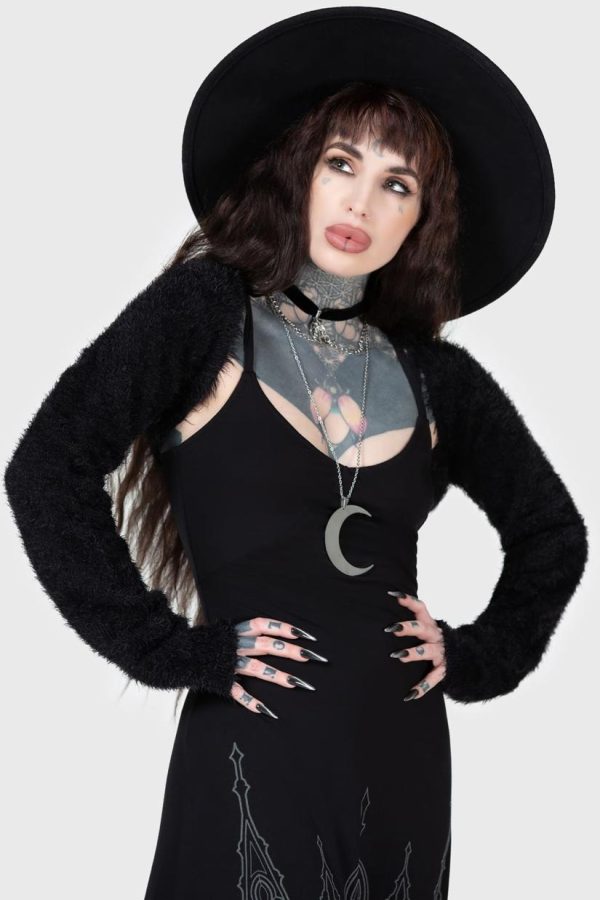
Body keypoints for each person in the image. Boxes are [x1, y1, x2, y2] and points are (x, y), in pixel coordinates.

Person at [3, 8, 588, 898]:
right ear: (298, 169)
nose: (360, 204)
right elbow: (46, 468)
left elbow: (554, 533)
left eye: (398, 185)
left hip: (404, 763)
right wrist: (169, 650)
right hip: (253, 745)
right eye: (341, 164)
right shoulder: (205, 313)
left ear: (422, 218)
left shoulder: (437, 377)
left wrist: (477, 655)